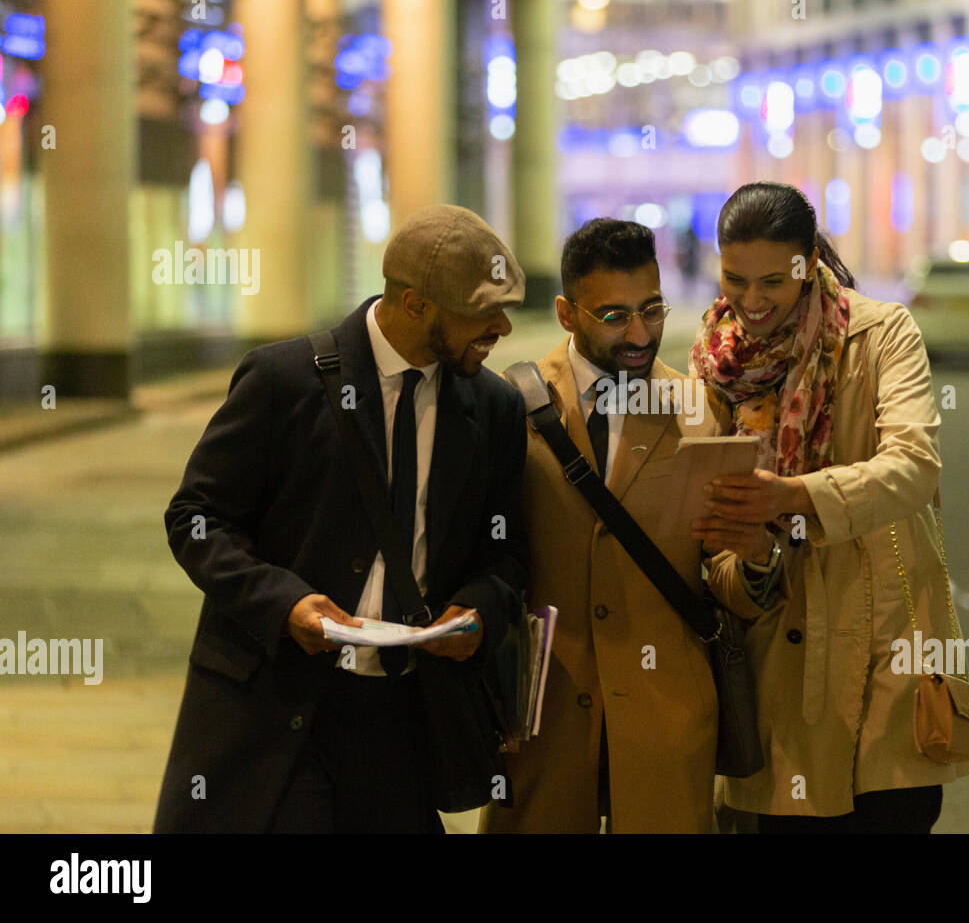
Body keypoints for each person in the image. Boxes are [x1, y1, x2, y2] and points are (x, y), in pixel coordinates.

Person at [154, 204, 530, 833]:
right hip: (276, 706)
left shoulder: (493, 408)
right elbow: (196, 518)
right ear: (415, 304)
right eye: (483, 312)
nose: (503, 327)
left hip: (402, 720)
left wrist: (480, 611)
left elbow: (507, 550)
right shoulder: (284, 380)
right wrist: (285, 604)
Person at [690, 182, 969, 833]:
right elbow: (708, 522)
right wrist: (750, 558)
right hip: (778, 659)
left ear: (809, 262)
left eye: (773, 281)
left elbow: (914, 465)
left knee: (892, 812)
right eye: (735, 279)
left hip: (886, 643)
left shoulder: (882, 334)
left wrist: (795, 496)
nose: (752, 301)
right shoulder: (715, 360)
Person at [480, 218, 778, 833]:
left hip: (666, 715)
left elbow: (721, 571)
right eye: (615, 316)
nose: (640, 334)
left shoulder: (701, 410)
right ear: (566, 313)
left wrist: (754, 558)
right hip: (543, 716)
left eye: (652, 309)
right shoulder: (511, 407)